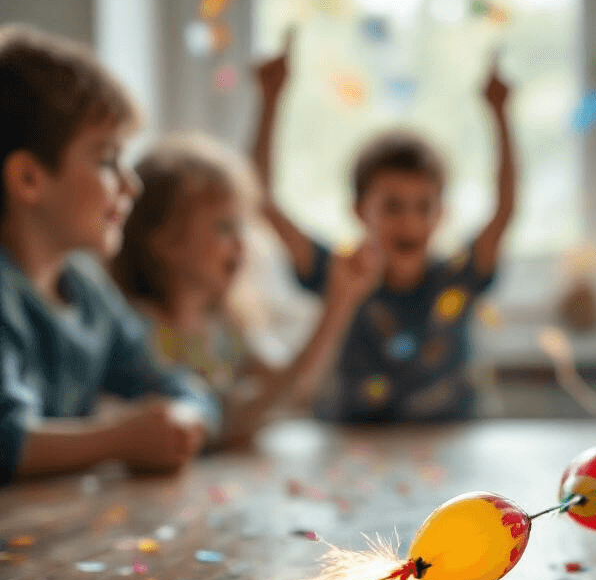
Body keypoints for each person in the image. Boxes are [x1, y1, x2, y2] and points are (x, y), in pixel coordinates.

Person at [251, 33, 517, 423]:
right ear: (360, 211)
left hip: (450, 443)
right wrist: (271, 99)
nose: (409, 221)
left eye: (423, 207)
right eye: (391, 206)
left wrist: (499, 114)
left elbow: (504, 209)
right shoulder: (339, 273)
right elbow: (262, 201)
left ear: (441, 214)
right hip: (352, 442)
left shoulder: (458, 275)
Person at [0, 25, 219, 485]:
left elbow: (171, 381)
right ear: (27, 179)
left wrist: (186, 415)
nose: (130, 185)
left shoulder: (86, 290)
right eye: (105, 161)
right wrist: (118, 440)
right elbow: (6, 439)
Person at [111, 134, 381, 448]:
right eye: (224, 227)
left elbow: (293, 389)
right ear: (165, 241)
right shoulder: (135, 332)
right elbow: (229, 423)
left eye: (241, 227)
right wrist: (335, 305)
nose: (241, 244)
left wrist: (340, 303)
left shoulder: (229, 324)